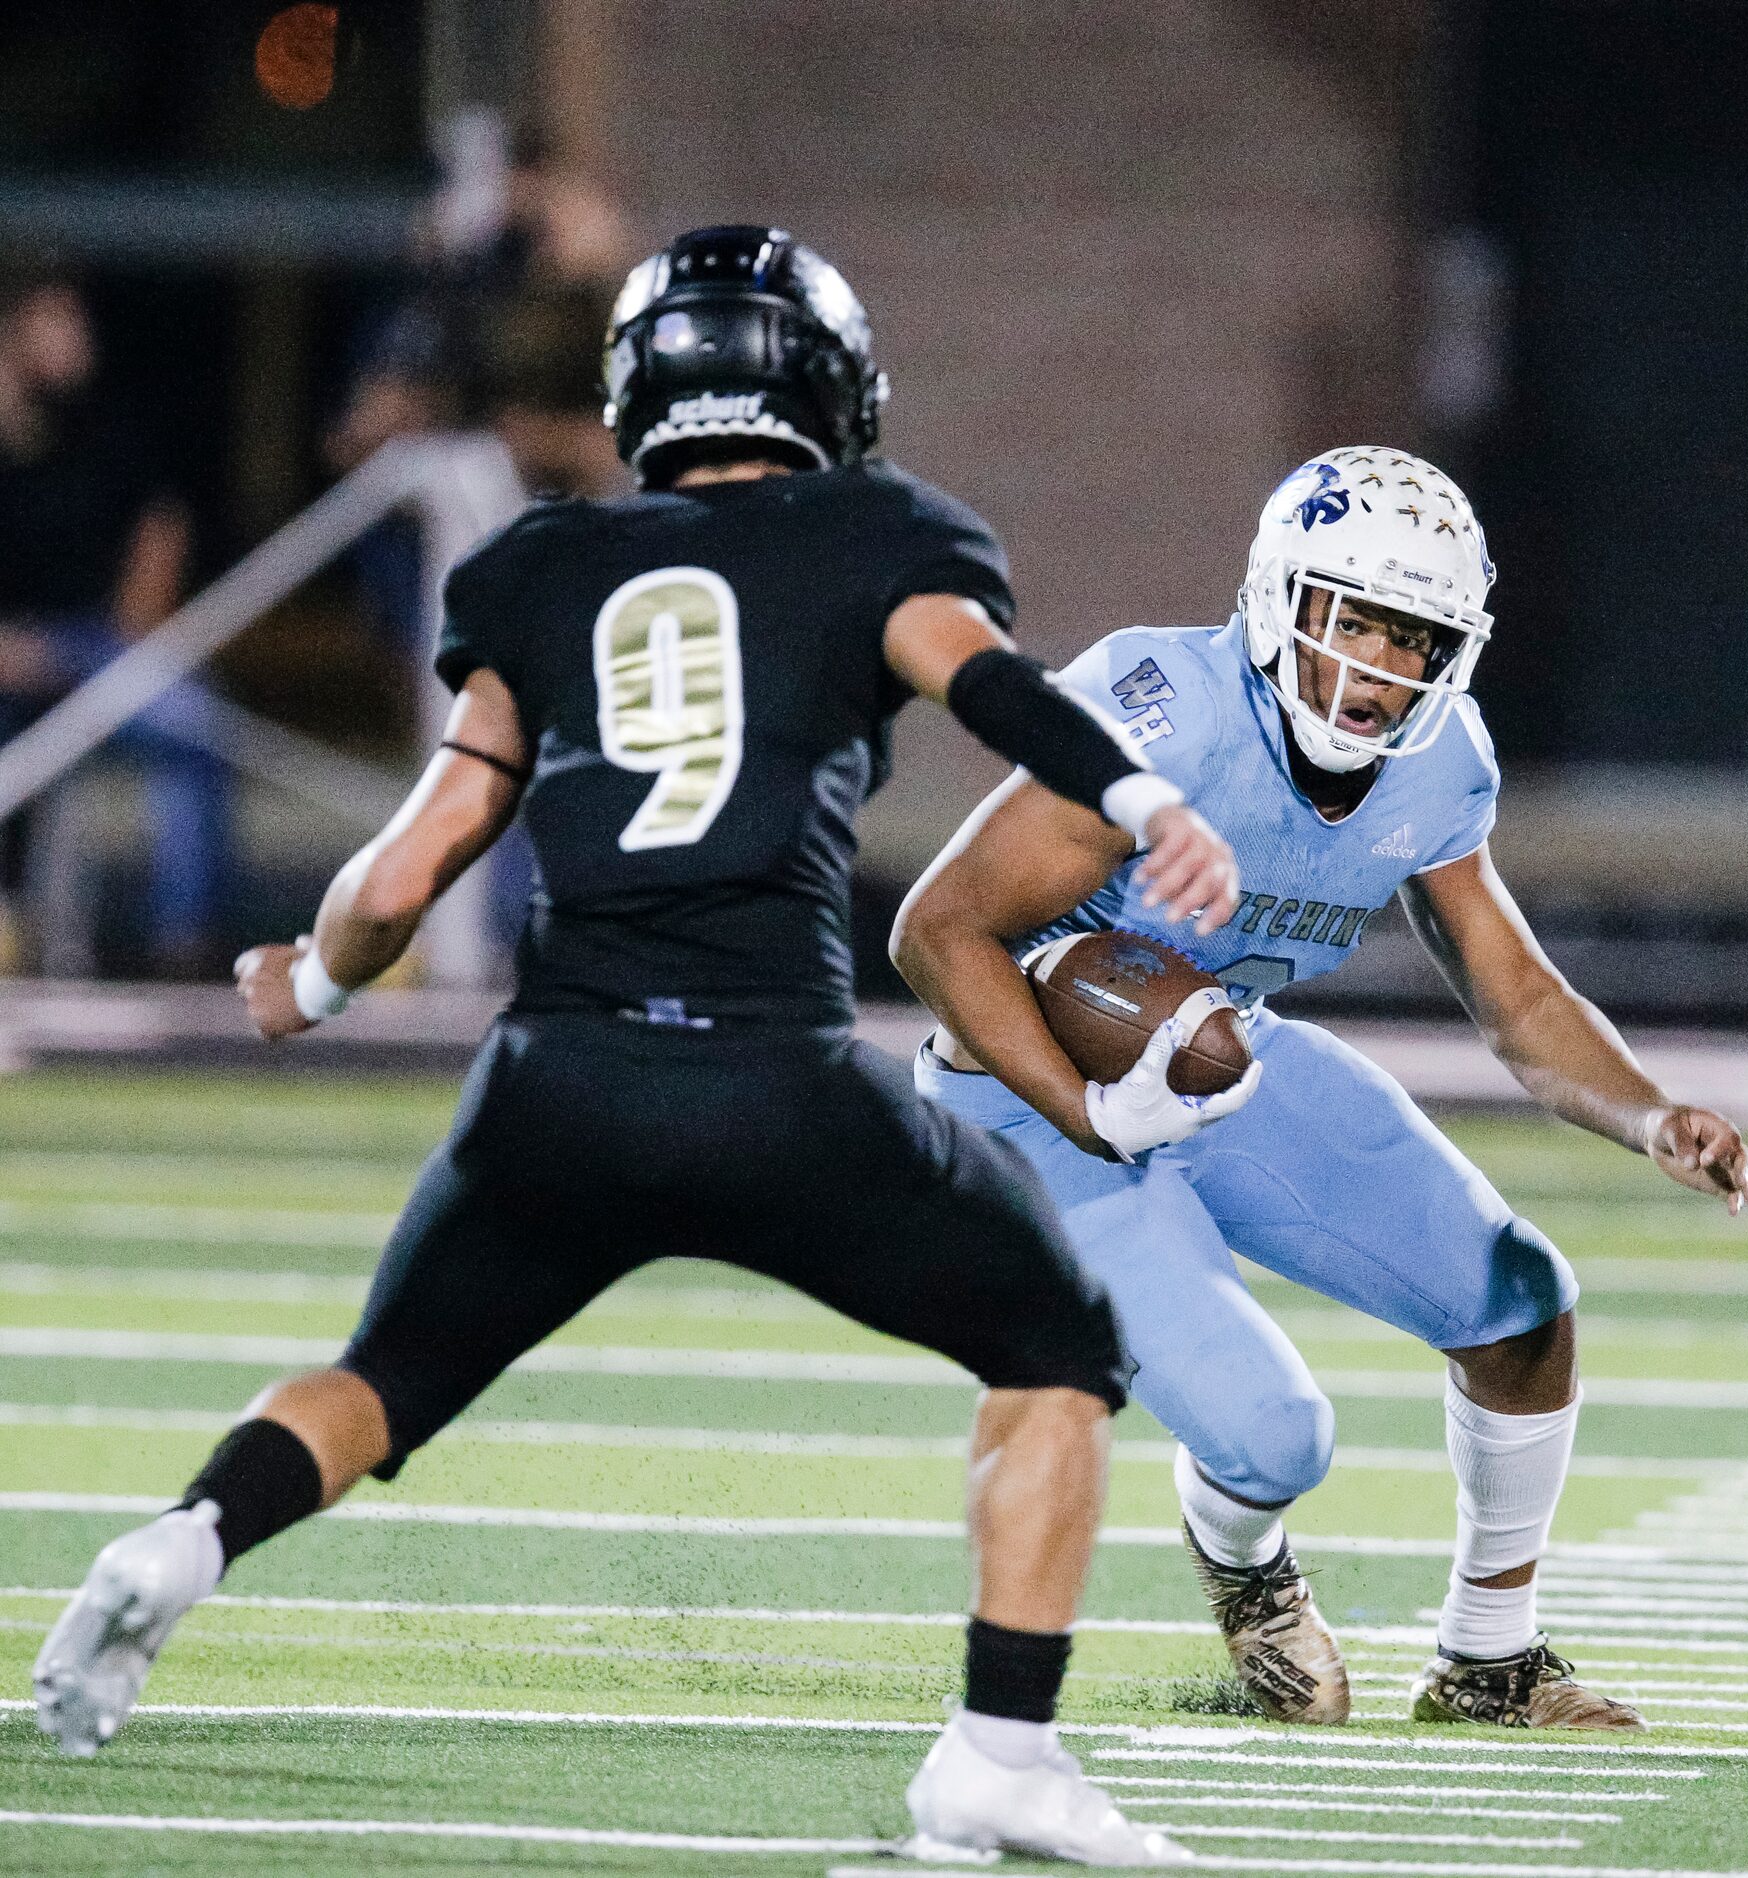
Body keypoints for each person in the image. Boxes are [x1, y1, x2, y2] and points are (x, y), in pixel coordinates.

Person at [34, 225, 1243, 1865]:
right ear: (825, 386)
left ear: (639, 390)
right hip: (773, 1081)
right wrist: (1146, 798)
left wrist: (310, 984)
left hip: (562, 1084)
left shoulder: (541, 567)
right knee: (1055, 1345)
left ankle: (184, 1541)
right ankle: (998, 1755)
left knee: (384, 1378)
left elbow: (413, 858)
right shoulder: (880, 533)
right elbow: (992, 689)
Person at [893, 446, 1748, 1732]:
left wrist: (1649, 1112)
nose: (1378, 668)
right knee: (1276, 1442)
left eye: (1413, 637)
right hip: (1033, 1101)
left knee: (1522, 1306)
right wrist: (1088, 1112)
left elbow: (1513, 996)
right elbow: (936, 931)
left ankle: (1488, 1661)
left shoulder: (1439, 762)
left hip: (1220, 1054)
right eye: (1352, 620)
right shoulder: (1165, 714)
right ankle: (1247, 1572)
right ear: (1276, 603)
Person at [0, 258, 228, 974]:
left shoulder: (107, 423)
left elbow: (161, 524)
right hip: (5, 653)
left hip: (93, 646)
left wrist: (137, 634)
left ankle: (184, 947)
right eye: (57, 323)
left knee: (194, 728)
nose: (79, 339)